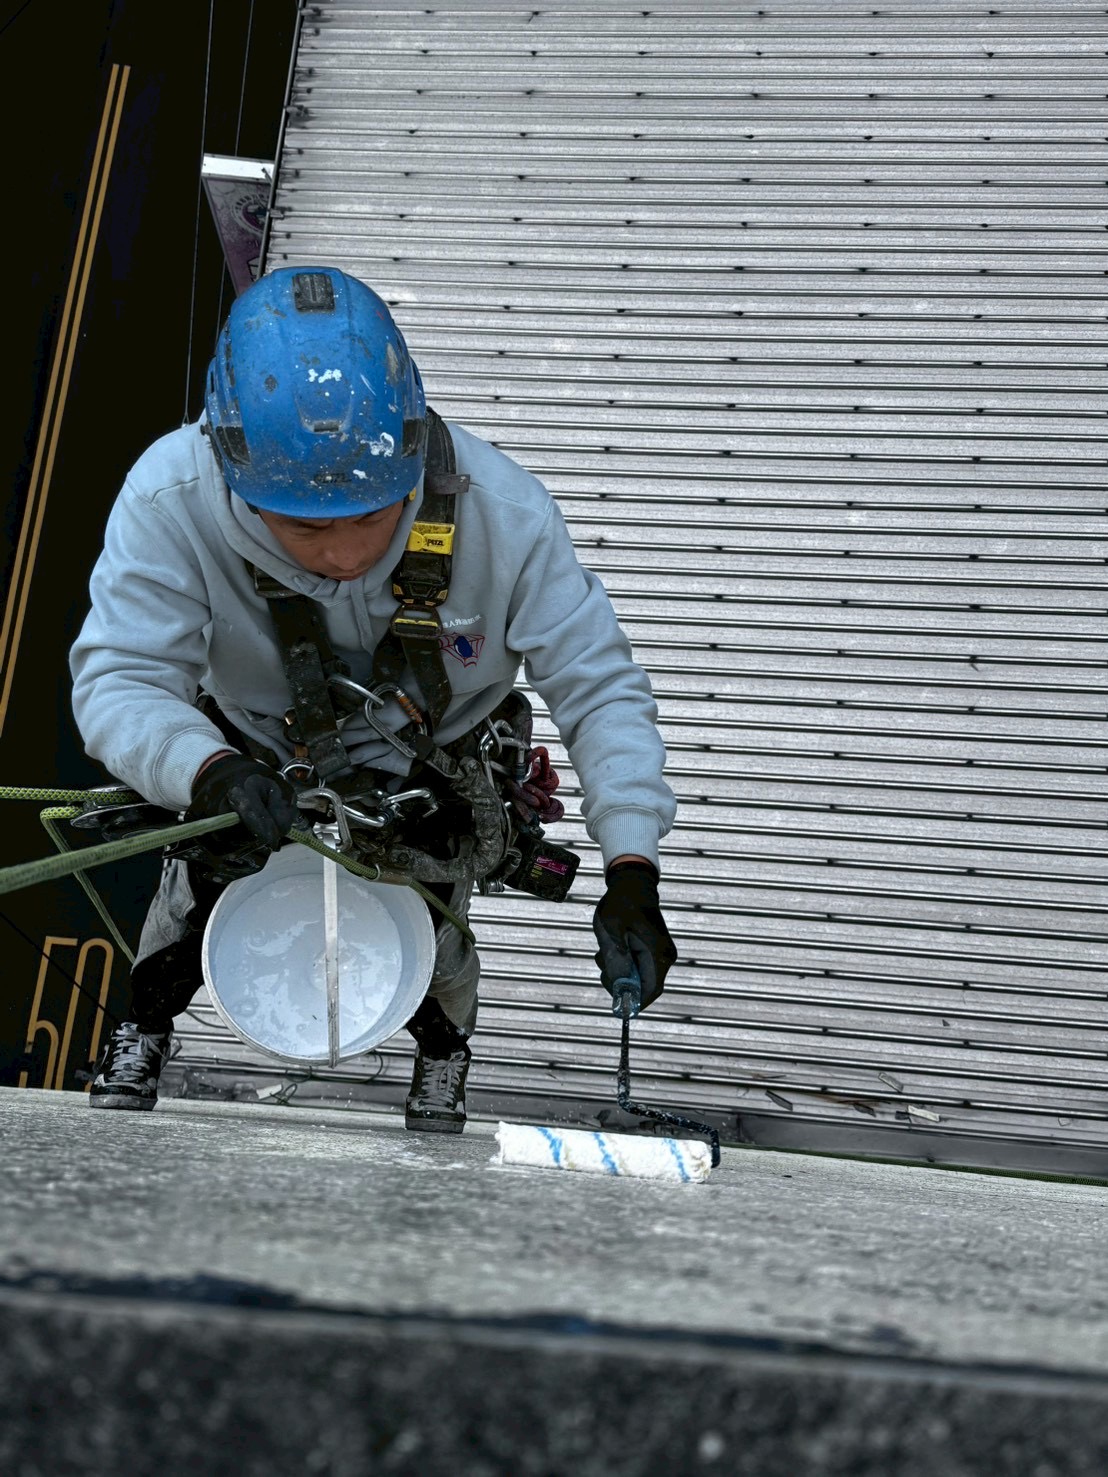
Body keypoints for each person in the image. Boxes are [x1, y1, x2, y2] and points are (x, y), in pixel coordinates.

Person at [70, 264, 677, 1131]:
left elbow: (600, 685)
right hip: (253, 754)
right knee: (193, 896)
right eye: (307, 527)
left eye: (373, 514)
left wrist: (632, 866)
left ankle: (442, 1059)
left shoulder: (504, 513)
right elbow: (121, 679)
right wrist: (204, 770)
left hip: (434, 763)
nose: (347, 553)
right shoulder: (173, 500)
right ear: (232, 471)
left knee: (437, 923)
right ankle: (144, 1031)